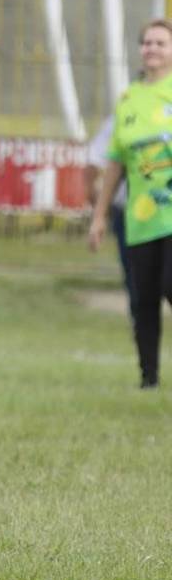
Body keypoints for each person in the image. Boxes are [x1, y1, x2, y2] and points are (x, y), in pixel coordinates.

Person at [89, 19, 172, 389]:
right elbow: (116, 162)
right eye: (147, 42)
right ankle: (148, 378)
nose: (151, 48)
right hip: (141, 218)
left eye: (160, 42)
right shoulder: (129, 99)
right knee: (143, 298)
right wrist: (99, 214)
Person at [85, 114, 135, 322]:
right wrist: (99, 210)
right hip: (127, 212)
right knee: (136, 282)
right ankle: (140, 328)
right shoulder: (127, 112)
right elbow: (95, 161)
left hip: (164, 214)